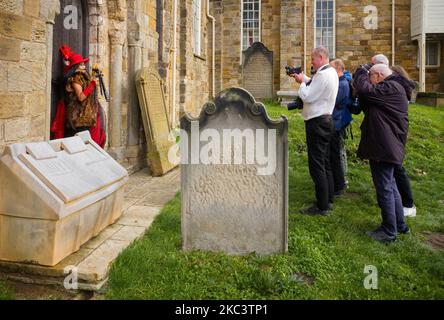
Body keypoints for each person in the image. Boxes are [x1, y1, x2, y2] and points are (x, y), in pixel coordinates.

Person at [354, 63, 415, 242]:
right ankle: (400, 225)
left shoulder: (390, 87)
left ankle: (389, 231)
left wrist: (360, 72)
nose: (371, 82)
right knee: (391, 185)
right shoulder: (394, 86)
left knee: (385, 187)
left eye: (371, 78)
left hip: (384, 145)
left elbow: (366, 90)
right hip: (387, 144)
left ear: (378, 75)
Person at [291, 46, 339, 215]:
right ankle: (328, 198)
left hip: (317, 122)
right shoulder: (331, 72)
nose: (311, 62)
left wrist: (302, 82)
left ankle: (321, 206)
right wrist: (304, 78)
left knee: (316, 165)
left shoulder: (322, 75)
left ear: (321, 57)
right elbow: (315, 84)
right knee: (325, 162)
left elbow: (307, 96)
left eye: (312, 59)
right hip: (327, 120)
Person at [371, 55, 417, 217]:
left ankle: (408, 204)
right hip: (394, 131)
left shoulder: (393, 82)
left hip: (392, 133)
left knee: (396, 170)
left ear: (381, 68)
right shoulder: (394, 80)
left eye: (372, 66)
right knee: (393, 174)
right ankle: (400, 212)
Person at [51, 45, 106, 148]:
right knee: (78, 146)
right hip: (78, 119)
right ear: (75, 67)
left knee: (85, 146)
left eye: (83, 64)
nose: (84, 67)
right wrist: (92, 84)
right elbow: (81, 97)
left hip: (86, 118)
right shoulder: (75, 79)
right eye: (81, 65)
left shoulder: (84, 77)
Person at [329, 59, 352, 196]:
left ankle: (341, 183)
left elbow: (334, 100)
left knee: (337, 154)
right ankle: (338, 181)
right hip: (336, 122)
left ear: (338, 68)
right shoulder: (339, 82)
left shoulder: (343, 84)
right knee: (334, 154)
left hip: (338, 123)